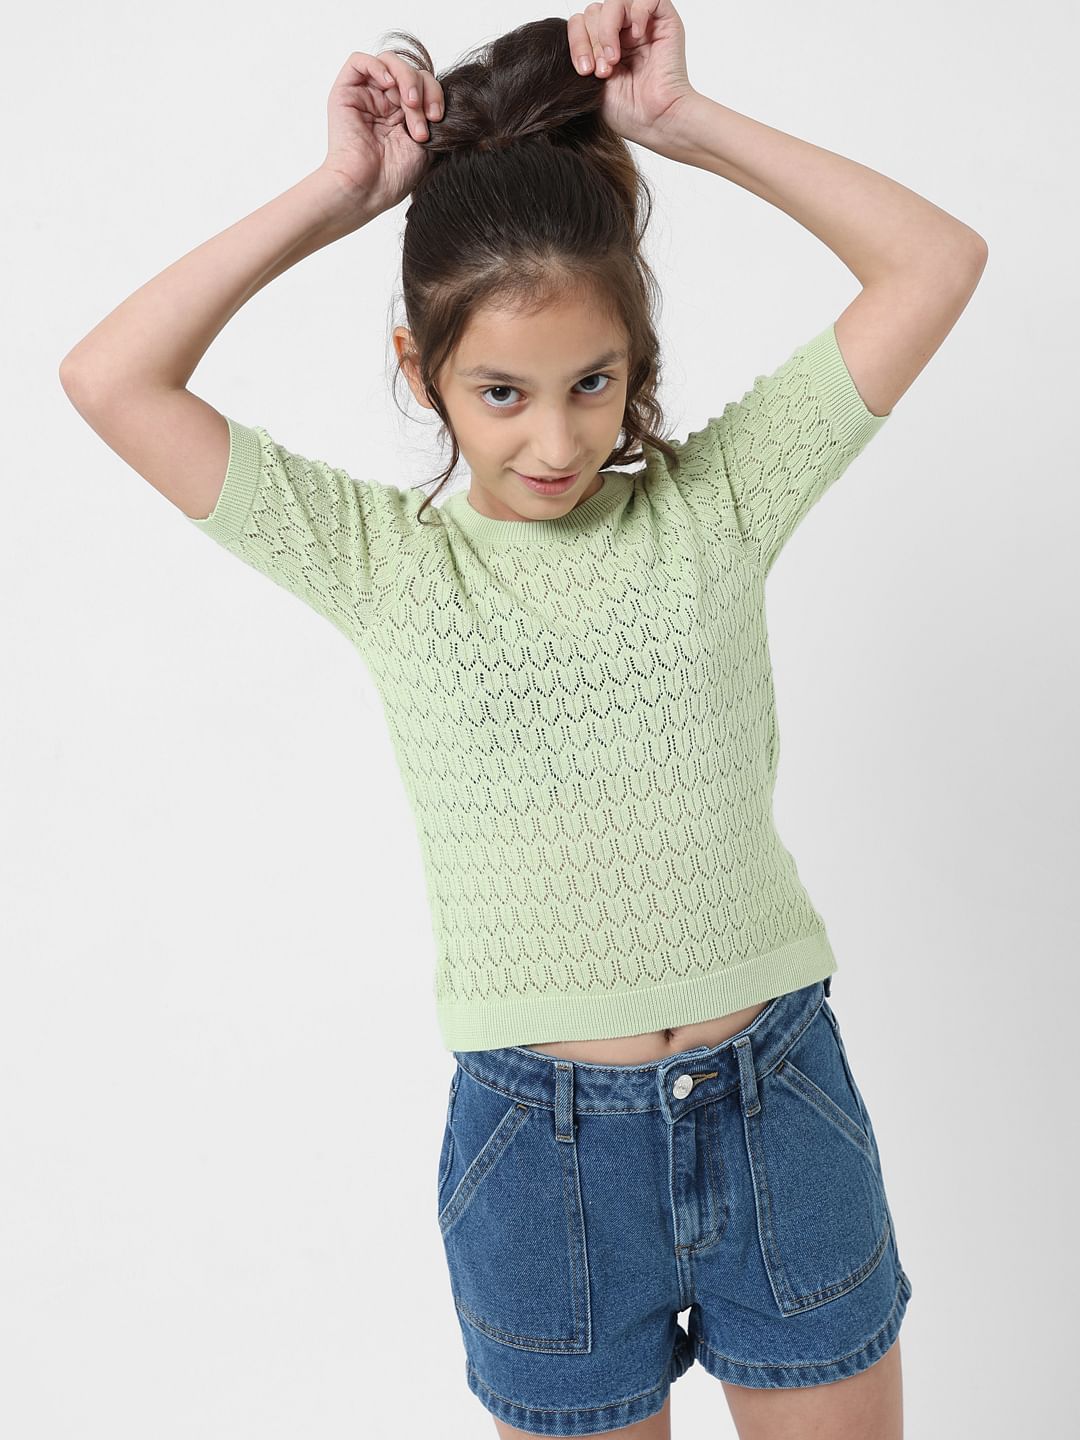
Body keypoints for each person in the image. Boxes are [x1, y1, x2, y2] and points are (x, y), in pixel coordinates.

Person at [59, 4, 987, 1436]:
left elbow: (937, 260)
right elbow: (109, 377)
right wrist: (340, 196)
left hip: (778, 1104)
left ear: (637, 361)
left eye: (592, 384)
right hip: (543, 1161)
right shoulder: (383, 564)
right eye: (500, 392)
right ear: (419, 367)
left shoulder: (715, 507)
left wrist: (685, 125)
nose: (554, 441)